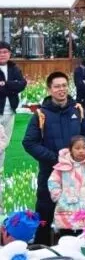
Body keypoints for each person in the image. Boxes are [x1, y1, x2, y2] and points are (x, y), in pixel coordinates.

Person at [24, 71, 85, 242]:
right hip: (50, 172)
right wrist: (55, 158)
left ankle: (70, 248)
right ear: (49, 89)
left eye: (64, 86)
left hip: (75, 174)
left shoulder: (78, 110)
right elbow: (29, 142)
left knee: (72, 215)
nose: (61, 89)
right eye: (57, 86)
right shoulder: (41, 114)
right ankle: (40, 247)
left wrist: (80, 151)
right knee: (44, 214)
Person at [47, 135, 85, 234]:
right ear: (70, 150)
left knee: (84, 237)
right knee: (66, 236)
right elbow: (53, 181)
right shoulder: (62, 167)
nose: (81, 151)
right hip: (66, 206)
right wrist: (57, 195)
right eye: (77, 148)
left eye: (84, 148)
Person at [0, 41, 27, 175]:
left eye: (5, 52)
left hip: (10, 110)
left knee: (4, 143)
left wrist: (5, 84)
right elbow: (15, 86)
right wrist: (11, 86)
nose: (2, 55)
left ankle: (0, 169)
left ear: (10, 54)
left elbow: (22, 84)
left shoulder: (14, 68)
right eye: (0, 52)